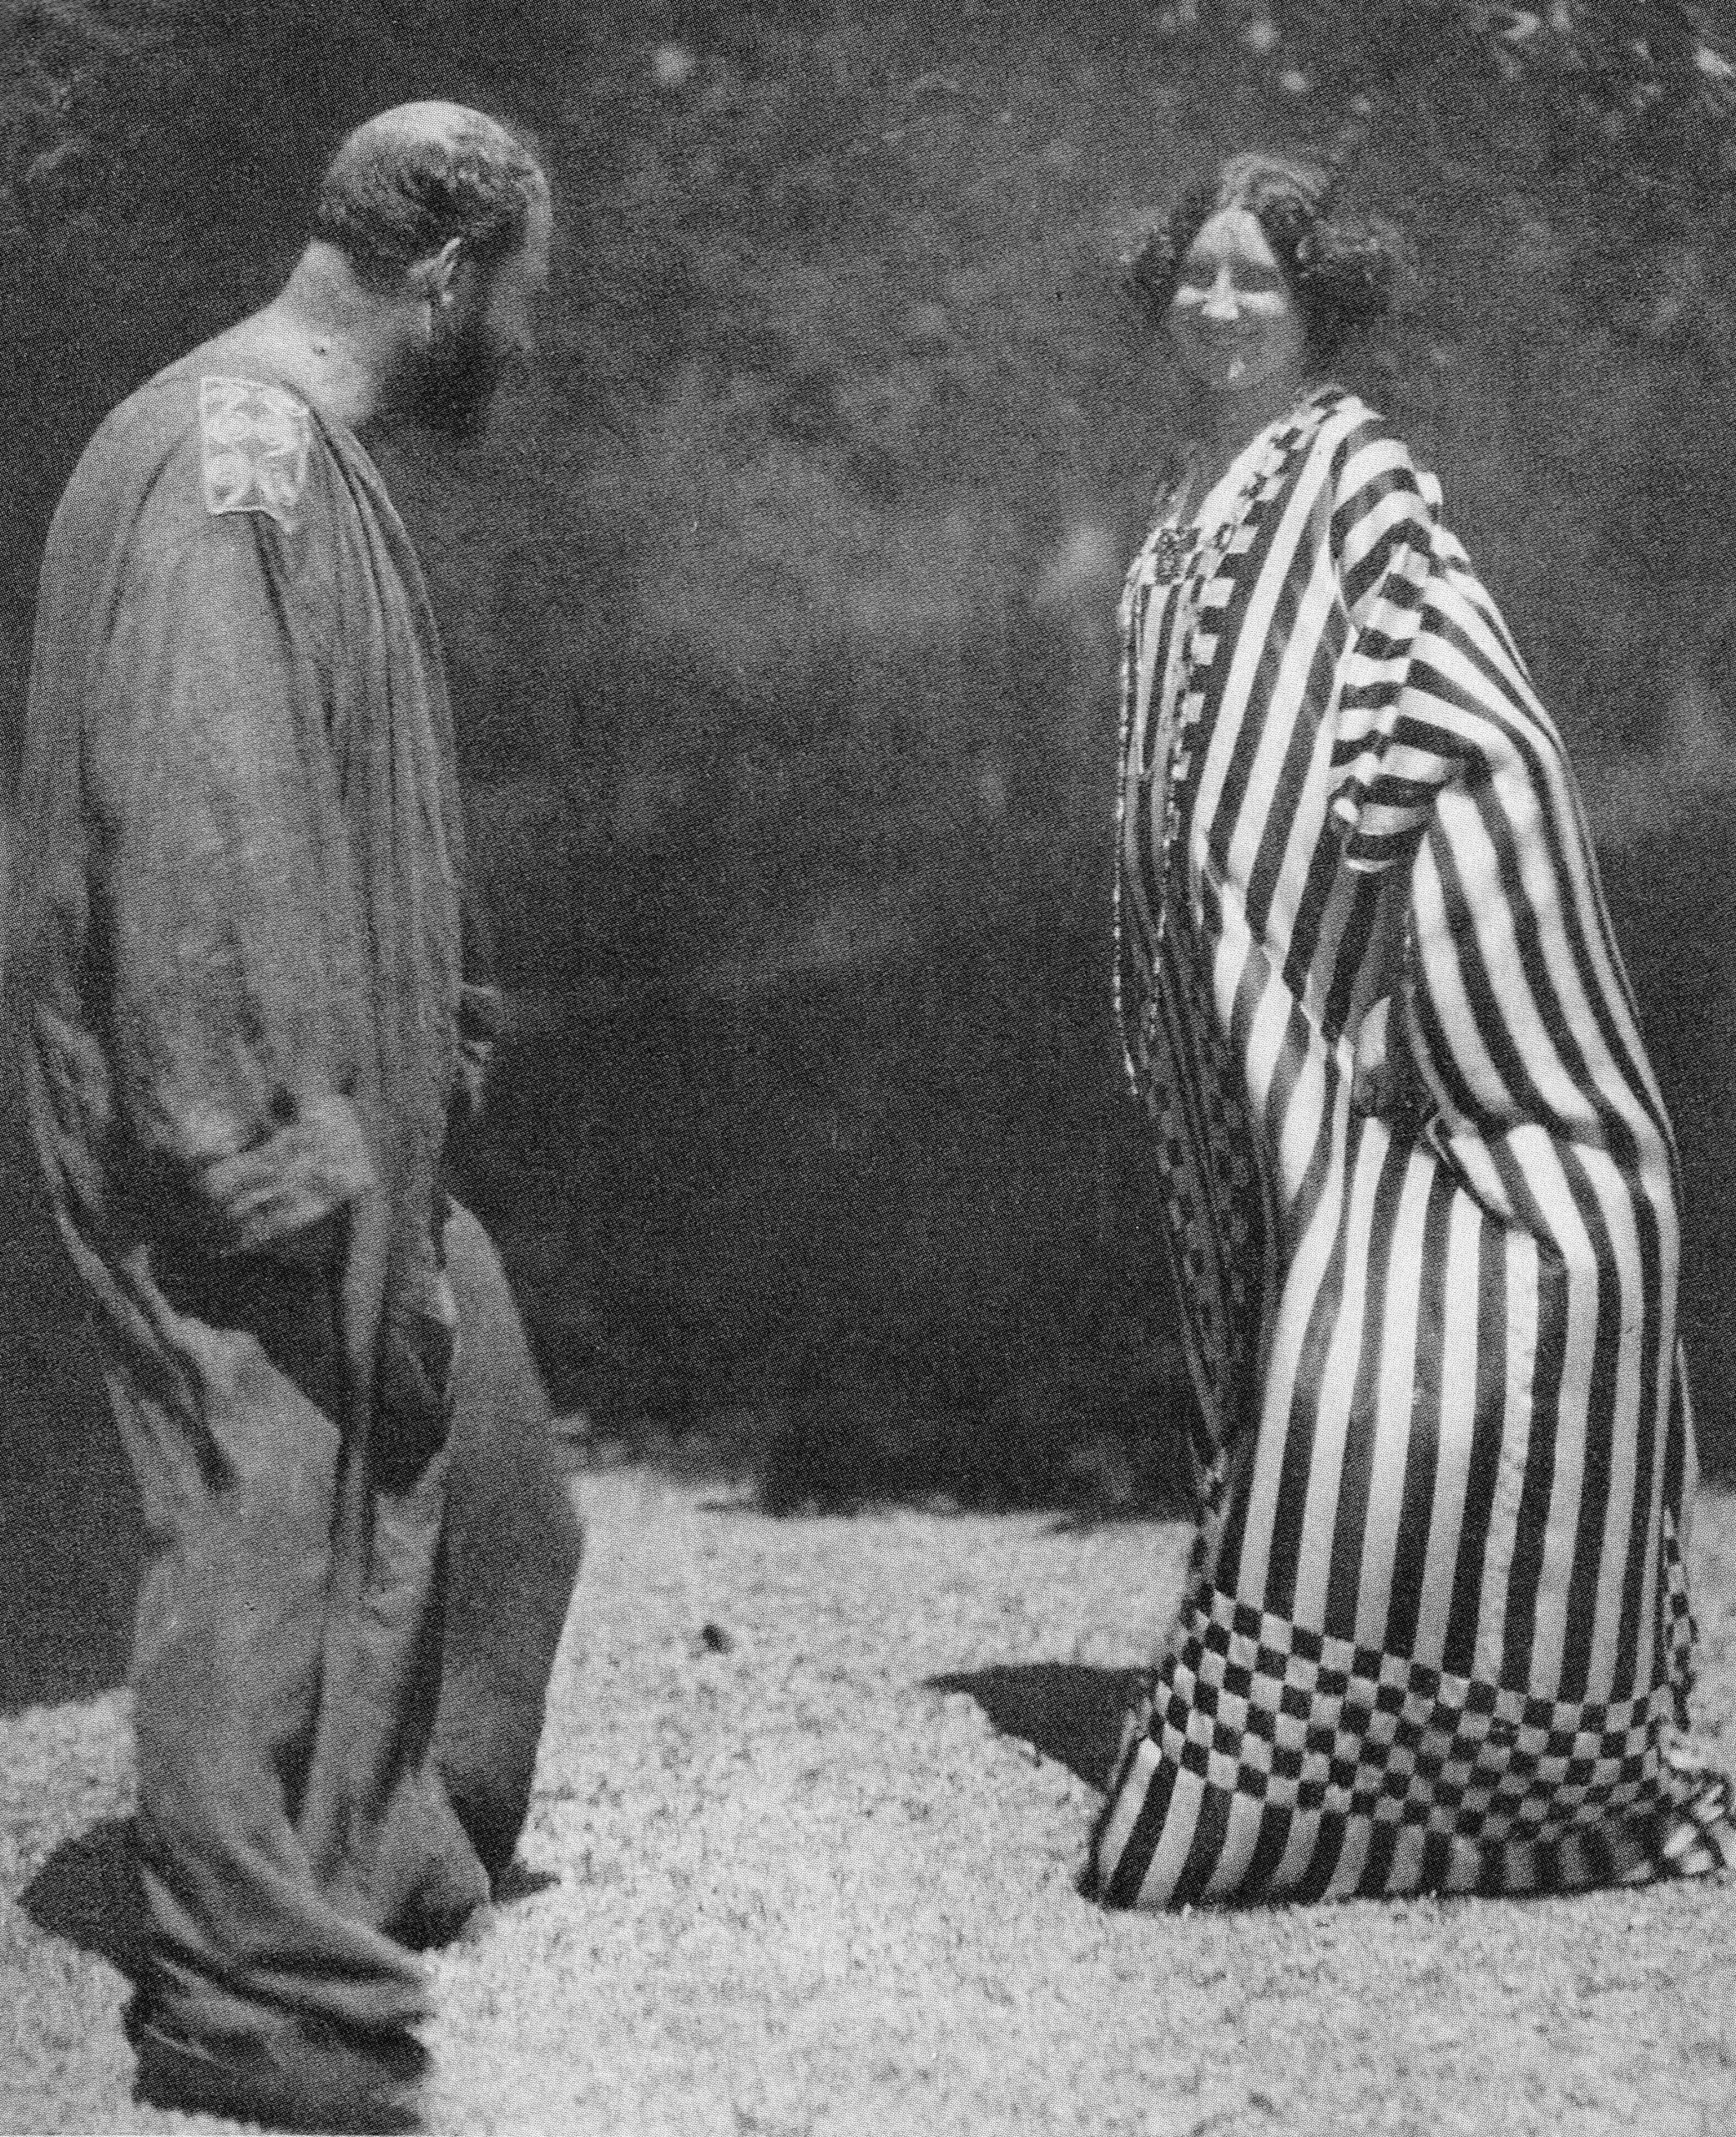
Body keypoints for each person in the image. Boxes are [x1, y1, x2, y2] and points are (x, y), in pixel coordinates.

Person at [9, 103, 583, 2129]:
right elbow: (200, 805)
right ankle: (248, 2004)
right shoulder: (225, 460)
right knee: (259, 1514)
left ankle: (376, 1845)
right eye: (520, 298)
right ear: (444, 273)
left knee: (498, 1486)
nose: (526, 340)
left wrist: (441, 1037)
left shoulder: (300, 458)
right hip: (237, 1107)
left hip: (347, 1104)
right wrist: (257, 1130)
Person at [1090, 149, 1736, 1908]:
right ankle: (1268, 1646)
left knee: (1356, 1325)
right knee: (1254, 1327)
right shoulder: (1186, 486)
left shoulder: (1349, 465)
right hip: (1210, 1002)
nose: (1221, 303)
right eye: (1197, 273)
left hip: (1325, 983)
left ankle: (1428, 1737)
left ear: (1317, 306)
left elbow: (1457, 694)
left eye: (1257, 278)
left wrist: (1388, 939)